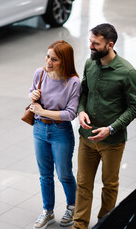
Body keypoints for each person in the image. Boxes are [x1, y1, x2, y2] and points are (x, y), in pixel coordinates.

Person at [72, 23, 136, 229]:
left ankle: (105, 223)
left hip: (112, 141)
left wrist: (111, 129)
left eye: (96, 43)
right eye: (90, 41)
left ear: (110, 45)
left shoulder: (127, 72)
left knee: (109, 186)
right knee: (83, 184)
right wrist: (81, 110)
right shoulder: (89, 64)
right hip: (86, 138)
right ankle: (79, 225)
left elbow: (134, 108)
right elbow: (84, 92)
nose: (91, 46)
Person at [28, 40, 81, 229]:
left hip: (61, 132)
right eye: (47, 56)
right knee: (45, 174)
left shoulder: (73, 82)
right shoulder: (40, 73)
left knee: (64, 173)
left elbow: (70, 114)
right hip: (39, 129)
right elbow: (31, 93)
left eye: (55, 59)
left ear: (65, 61)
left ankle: (72, 207)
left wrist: (42, 111)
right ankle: (48, 211)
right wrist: (32, 95)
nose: (48, 62)